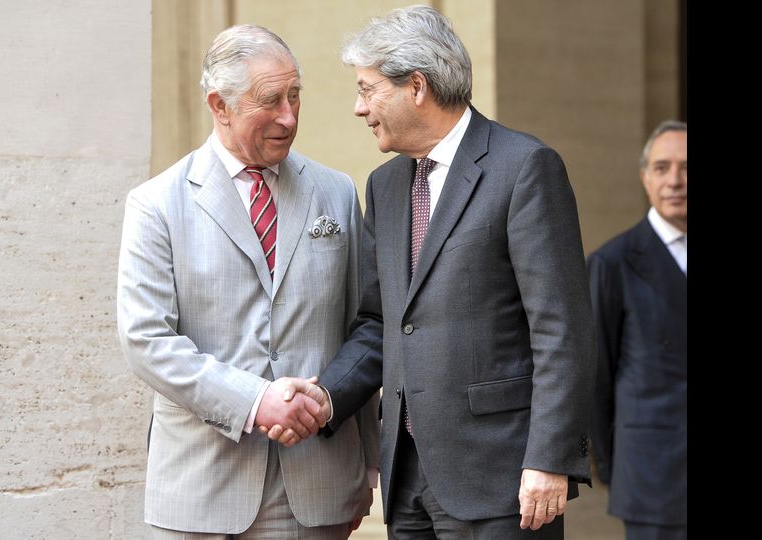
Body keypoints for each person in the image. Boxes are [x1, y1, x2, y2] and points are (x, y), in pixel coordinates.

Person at [267, 5, 596, 538]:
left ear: (415, 86)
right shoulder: (386, 185)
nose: (358, 108)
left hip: (503, 478)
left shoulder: (525, 168)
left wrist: (550, 459)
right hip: (409, 481)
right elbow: (381, 323)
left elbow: (562, 330)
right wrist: (328, 395)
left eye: (367, 89)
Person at [117, 24, 379, 539]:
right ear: (220, 105)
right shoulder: (156, 205)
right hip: (200, 489)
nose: (288, 116)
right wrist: (256, 400)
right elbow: (145, 339)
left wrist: (365, 468)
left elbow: (364, 327)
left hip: (318, 486)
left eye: (295, 96)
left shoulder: (337, 193)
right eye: (270, 100)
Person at [586, 121, 687, 540]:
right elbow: (596, 377)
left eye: (686, 167)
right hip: (653, 473)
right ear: (645, 177)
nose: (675, 181)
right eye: (662, 168)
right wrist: (611, 464)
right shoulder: (613, 263)